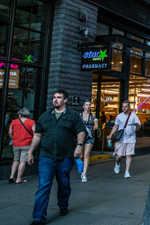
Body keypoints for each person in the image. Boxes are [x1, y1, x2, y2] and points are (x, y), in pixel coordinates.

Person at [27, 90, 86, 225]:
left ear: (65, 100)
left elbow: (81, 131)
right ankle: (39, 217)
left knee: (64, 183)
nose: (55, 100)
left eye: (58, 98)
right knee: (43, 186)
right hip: (46, 156)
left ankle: (63, 204)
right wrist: (30, 151)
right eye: (54, 97)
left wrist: (79, 145)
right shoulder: (45, 116)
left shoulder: (73, 116)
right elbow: (37, 135)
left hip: (65, 156)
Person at [107, 100, 141, 178]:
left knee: (129, 155)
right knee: (119, 156)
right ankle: (117, 164)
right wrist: (110, 134)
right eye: (123, 107)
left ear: (129, 107)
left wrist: (137, 125)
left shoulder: (133, 116)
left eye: (126, 107)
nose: (124, 108)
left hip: (131, 138)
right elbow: (115, 126)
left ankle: (127, 171)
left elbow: (139, 126)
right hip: (121, 138)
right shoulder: (119, 116)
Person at [8, 108, 35, 184]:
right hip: (26, 144)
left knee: (15, 160)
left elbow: (10, 132)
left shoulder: (13, 122)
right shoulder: (31, 122)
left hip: (16, 144)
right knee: (22, 161)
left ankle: (11, 176)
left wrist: (13, 139)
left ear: (20, 114)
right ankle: (18, 178)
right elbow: (34, 132)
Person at [80, 100, 99, 183]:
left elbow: (96, 125)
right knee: (80, 156)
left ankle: (84, 174)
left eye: (89, 105)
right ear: (83, 106)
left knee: (86, 155)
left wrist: (95, 127)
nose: (88, 106)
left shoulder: (93, 115)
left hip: (90, 136)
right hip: (81, 136)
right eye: (86, 105)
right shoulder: (79, 115)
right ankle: (82, 170)